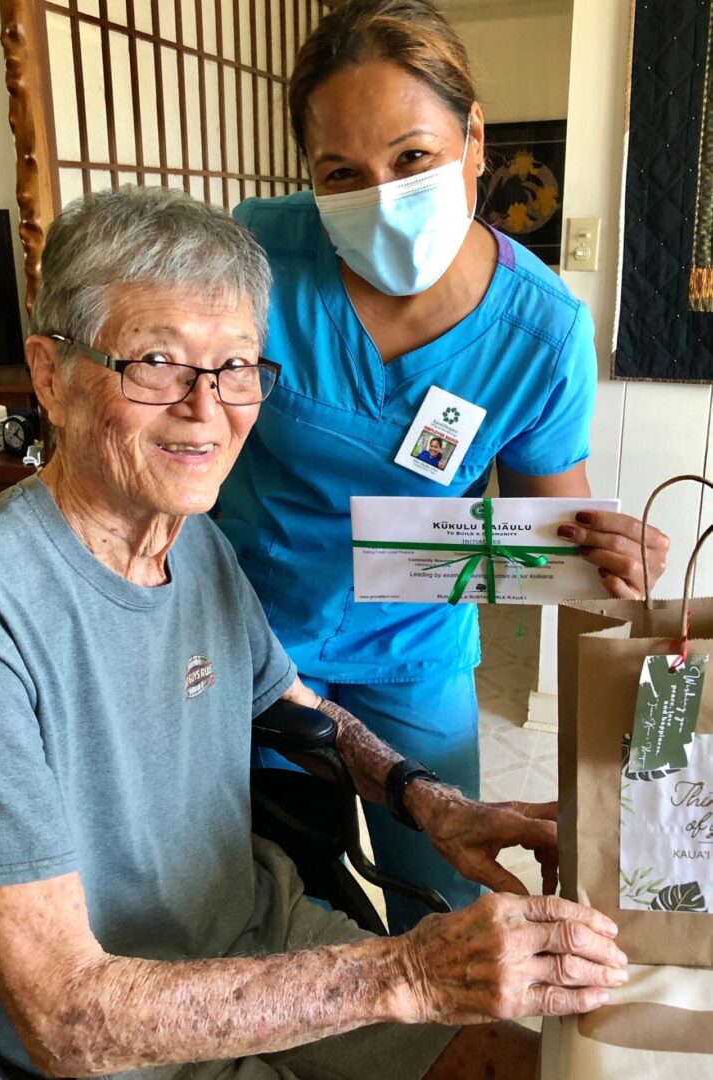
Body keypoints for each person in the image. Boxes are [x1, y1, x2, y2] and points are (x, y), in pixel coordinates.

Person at [0, 186, 628, 1080]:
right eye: (157, 362)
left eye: (237, 365)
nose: (207, 408)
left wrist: (434, 805)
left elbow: (291, 701)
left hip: (255, 939)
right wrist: (408, 970)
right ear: (50, 376)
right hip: (122, 1034)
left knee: (553, 1068)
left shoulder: (196, 541)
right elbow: (65, 1016)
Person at [217, 0, 670, 932]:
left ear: (474, 141)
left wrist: (608, 554)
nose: (379, 195)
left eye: (413, 157)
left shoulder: (541, 332)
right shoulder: (258, 253)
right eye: (342, 173)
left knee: (457, 883)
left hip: (412, 644)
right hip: (253, 629)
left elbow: (553, 526)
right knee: (260, 879)